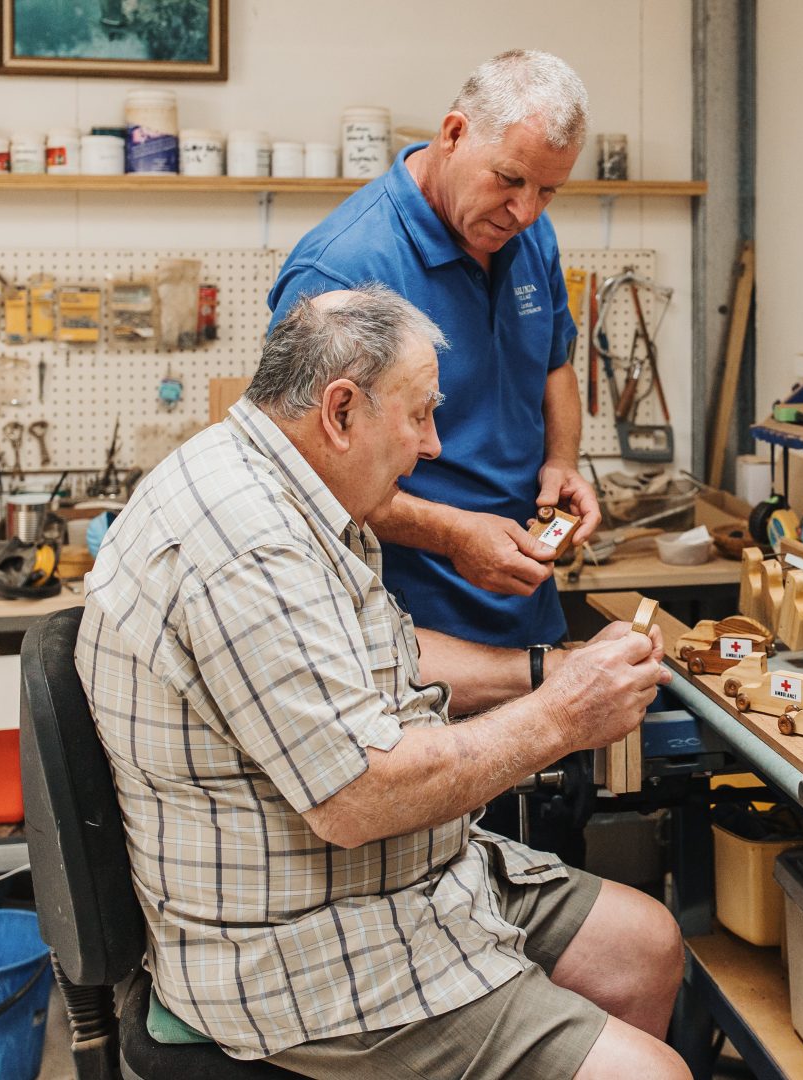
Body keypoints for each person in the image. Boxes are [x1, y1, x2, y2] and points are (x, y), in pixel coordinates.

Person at [76, 287, 689, 1079]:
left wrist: (544, 670)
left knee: (646, 945)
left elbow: (367, 659)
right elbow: (360, 796)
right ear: (340, 411)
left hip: (402, 880)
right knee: (654, 1075)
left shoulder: (297, 493)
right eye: (420, 415)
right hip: (299, 951)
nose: (432, 445)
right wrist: (563, 716)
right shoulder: (247, 547)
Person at [269, 49, 601, 651]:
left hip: (528, 615)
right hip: (405, 632)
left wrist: (562, 461)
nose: (525, 212)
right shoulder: (342, 267)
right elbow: (301, 474)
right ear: (453, 135)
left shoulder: (529, 235)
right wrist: (452, 534)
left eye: (548, 191)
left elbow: (554, 364)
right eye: (509, 179)